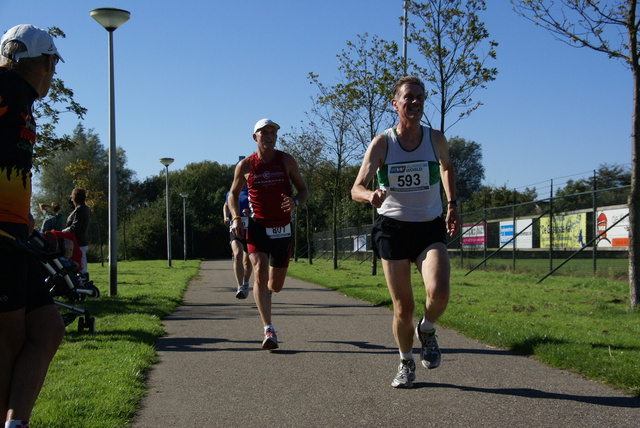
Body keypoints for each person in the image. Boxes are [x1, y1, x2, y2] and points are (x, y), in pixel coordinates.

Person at [351, 76, 460, 388]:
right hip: (393, 228)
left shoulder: (435, 138)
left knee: (439, 292)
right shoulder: (383, 143)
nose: (415, 102)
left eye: (420, 98)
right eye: (409, 97)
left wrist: (452, 203)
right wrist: (369, 195)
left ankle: (427, 329)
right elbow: (355, 188)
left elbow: (447, 166)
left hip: (429, 226)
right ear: (395, 104)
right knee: (403, 307)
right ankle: (405, 361)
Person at [0, 24, 66, 428]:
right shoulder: (6, 87)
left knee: (47, 330)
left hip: (15, 235)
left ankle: (16, 423)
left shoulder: (21, 98)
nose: (54, 72)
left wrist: (27, 222)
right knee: (7, 342)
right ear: (42, 62)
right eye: (55, 63)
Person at [228, 118, 308, 350]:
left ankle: (266, 294)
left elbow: (303, 190)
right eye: (264, 132)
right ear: (255, 137)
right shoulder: (245, 165)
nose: (269, 136)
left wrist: (294, 202)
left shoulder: (286, 160)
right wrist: (235, 218)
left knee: (276, 284)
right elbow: (232, 194)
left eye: (273, 132)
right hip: (257, 226)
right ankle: (268, 329)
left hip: (283, 227)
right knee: (260, 271)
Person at [223, 185, 252, 299]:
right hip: (235, 228)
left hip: (250, 229)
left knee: (247, 263)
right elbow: (226, 205)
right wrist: (226, 216)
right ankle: (240, 287)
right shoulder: (231, 192)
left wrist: (249, 211)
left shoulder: (252, 191)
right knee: (238, 254)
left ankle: (246, 283)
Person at [62, 187, 89, 274]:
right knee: (81, 266)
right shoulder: (83, 208)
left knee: (80, 267)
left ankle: (83, 284)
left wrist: (63, 232)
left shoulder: (80, 210)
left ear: (74, 198)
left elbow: (75, 227)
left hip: (78, 243)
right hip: (80, 242)